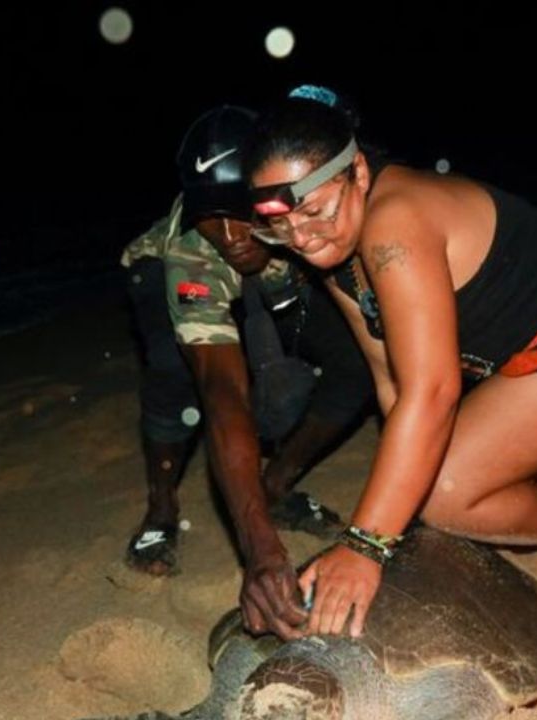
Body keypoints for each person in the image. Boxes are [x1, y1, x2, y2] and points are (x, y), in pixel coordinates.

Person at [244, 91, 537, 639]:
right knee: (500, 514)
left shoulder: (395, 225)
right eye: (278, 227)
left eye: (315, 211)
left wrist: (366, 542)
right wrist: (394, 519)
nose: (300, 238)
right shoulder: (334, 251)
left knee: (447, 493)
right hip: (519, 364)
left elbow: (434, 394)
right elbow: (392, 382)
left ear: (360, 173)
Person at [121, 106, 375, 639]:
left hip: (283, 257)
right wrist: (259, 548)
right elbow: (222, 391)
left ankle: (277, 482)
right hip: (166, 271)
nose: (233, 234)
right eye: (212, 215)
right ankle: (161, 509)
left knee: (357, 360)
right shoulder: (198, 245)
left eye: (242, 213)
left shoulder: (301, 215)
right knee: (176, 376)